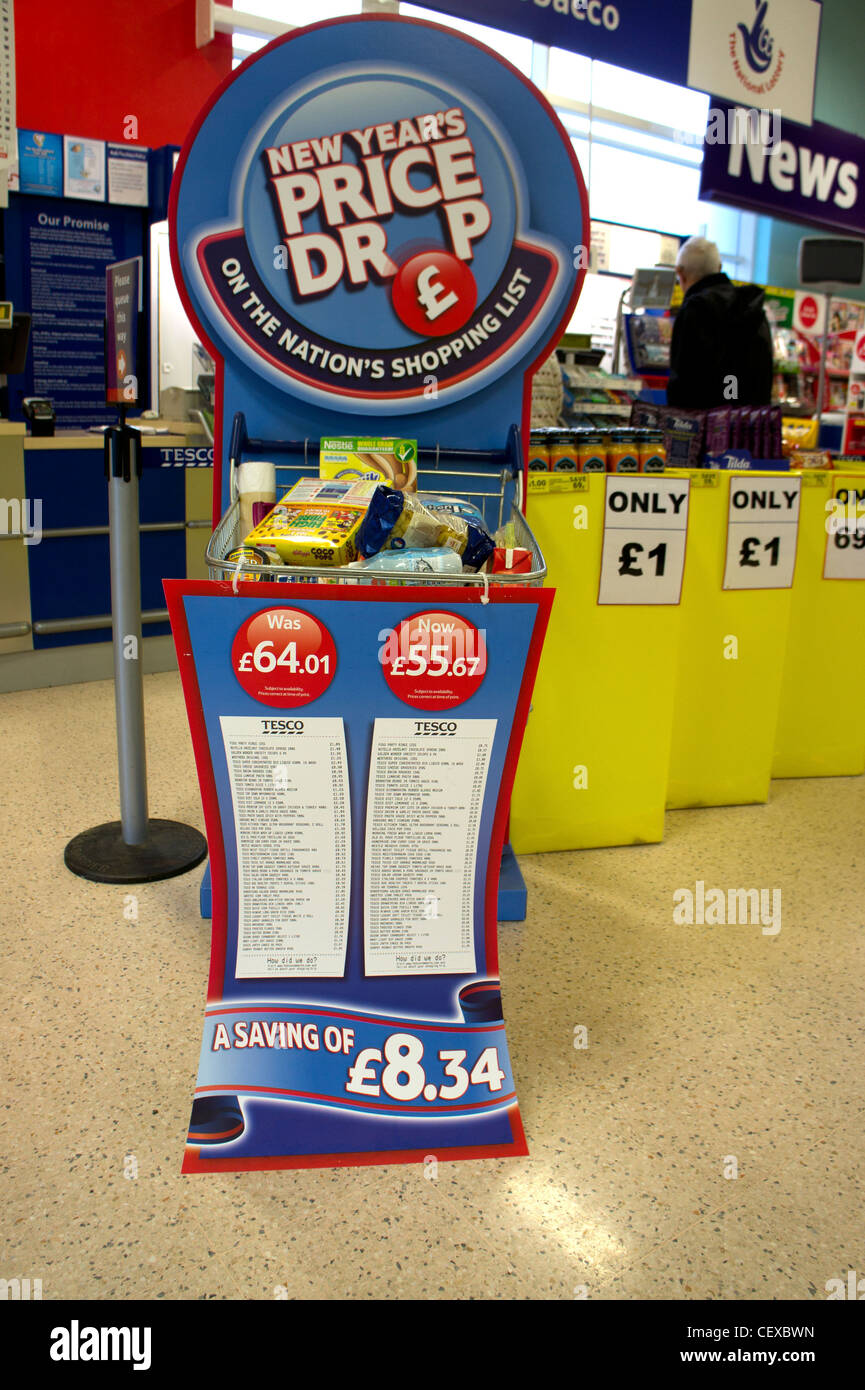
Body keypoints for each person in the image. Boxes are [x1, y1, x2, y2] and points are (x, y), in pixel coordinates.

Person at [666, 237, 773, 409]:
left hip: (708, 425)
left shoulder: (696, 309)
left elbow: (684, 380)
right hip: (750, 424)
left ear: (681, 273)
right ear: (719, 268)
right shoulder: (752, 307)